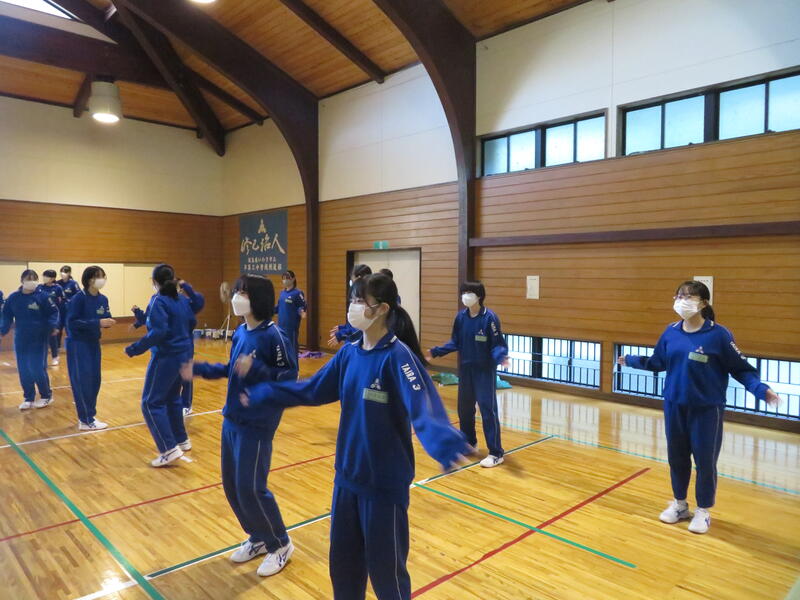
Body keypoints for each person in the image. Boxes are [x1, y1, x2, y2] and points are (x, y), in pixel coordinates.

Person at [242, 273, 469, 600]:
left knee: (387, 575)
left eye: (361, 300)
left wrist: (443, 441)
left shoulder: (398, 356)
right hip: (347, 480)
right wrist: (268, 393)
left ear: (382, 309)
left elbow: (423, 407)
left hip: (383, 487)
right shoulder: (348, 354)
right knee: (344, 568)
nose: (353, 306)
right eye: (353, 299)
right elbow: (312, 389)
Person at [618, 280, 781, 534]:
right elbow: (657, 362)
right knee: (677, 458)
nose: (681, 301)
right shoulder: (670, 332)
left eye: (688, 296)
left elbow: (741, 369)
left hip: (706, 410)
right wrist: (630, 360)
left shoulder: (719, 335)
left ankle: (703, 510)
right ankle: (680, 504)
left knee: (705, 461)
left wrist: (761, 390)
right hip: (674, 406)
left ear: (703, 303)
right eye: (679, 296)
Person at [181, 274, 298, 577]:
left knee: (251, 487)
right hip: (232, 417)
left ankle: (280, 544)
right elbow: (232, 369)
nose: (237, 297)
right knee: (233, 486)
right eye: (236, 292)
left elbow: (288, 375)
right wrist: (201, 369)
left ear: (257, 298)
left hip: (257, 423)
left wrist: (257, 368)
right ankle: (258, 536)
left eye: (243, 293)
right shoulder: (241, 332)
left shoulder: (274, 335)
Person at [427, 281, 510, 468]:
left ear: (479, 296)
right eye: (463, 292)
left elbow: (497, 344)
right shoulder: (461, 317)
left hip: (484, 372)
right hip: (465, 370)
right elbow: (455, 341)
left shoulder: (489, 318)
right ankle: (470, 443)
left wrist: (501, 357)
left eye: (469, 292)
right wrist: (436, 351)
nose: (465, 296)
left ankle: (496, 453)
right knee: (464, 410)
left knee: (488, 411)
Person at [125, 264, 194, 467]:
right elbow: (192, 322)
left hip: (167, 357)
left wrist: (135, 348)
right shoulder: (182, 299)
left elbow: (158, 332)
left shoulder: (158, 300)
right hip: (184, 354)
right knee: (172, 398)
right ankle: (181, 439)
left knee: (150, 403)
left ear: (154, 281)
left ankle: (168, 449)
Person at [133, 278, 204, 416]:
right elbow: (148, 318)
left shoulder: (184, 303)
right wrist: (137, 313)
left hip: (183, 347)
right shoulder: (156, 301)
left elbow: (196, 306)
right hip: (166, 349)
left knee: (185, 375)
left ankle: (186, 404)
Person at [0, 270, 59, 410]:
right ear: (22, 281)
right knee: (23, 368)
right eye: (28, 278)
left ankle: (46, 395)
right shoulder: (13, 298)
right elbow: (6, 316)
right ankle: (28, 397)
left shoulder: (43, 297)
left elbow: (53, 312)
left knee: (37, 367)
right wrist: (2, 330)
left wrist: (53, 326)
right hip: (21, 338)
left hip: (39, 338)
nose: (32, 281)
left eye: (34, 278)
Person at [65, 266, 115, 430]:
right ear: (89, 279)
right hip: (78, 344)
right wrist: (97, 322)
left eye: (103, 276)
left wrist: (107, 322)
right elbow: (72, 323)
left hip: (94, 342)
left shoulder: (103, 299)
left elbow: (105, 317)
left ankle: (90, 416)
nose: (102, 279)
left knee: (95, 380)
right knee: (82, 381)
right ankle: (85, 419)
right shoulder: (78, 299)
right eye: (98, 276)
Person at [328, 264, 371, 348]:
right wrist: (343, 327)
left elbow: (359, 330)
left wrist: (341, 334)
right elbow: (354, 325)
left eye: (359, 301)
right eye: (352, 301)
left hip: (359, 345)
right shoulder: (357, 292)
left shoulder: (368, 297)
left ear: (358, 278)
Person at [37, 269, 65, 366]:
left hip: (52, 315)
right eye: (44, 276)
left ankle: (55, 356)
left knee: (52, 337)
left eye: (47, 276)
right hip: (41, 316)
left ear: (53, 278)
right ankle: (41, 358)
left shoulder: (58, 288)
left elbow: (62, 301)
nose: (45, 278)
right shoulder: (40, 287)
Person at [275, 270, 306, 356]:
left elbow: (302, 306)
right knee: (283, 349)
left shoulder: (298, 293)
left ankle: (294, 364)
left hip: (291, 328)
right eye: (283, 278)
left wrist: (301, 311)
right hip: (281, 326)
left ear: (293, 279)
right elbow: (278, 307)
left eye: (287, 278)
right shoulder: (282, 293)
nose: (285, 280)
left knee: (291, 349)